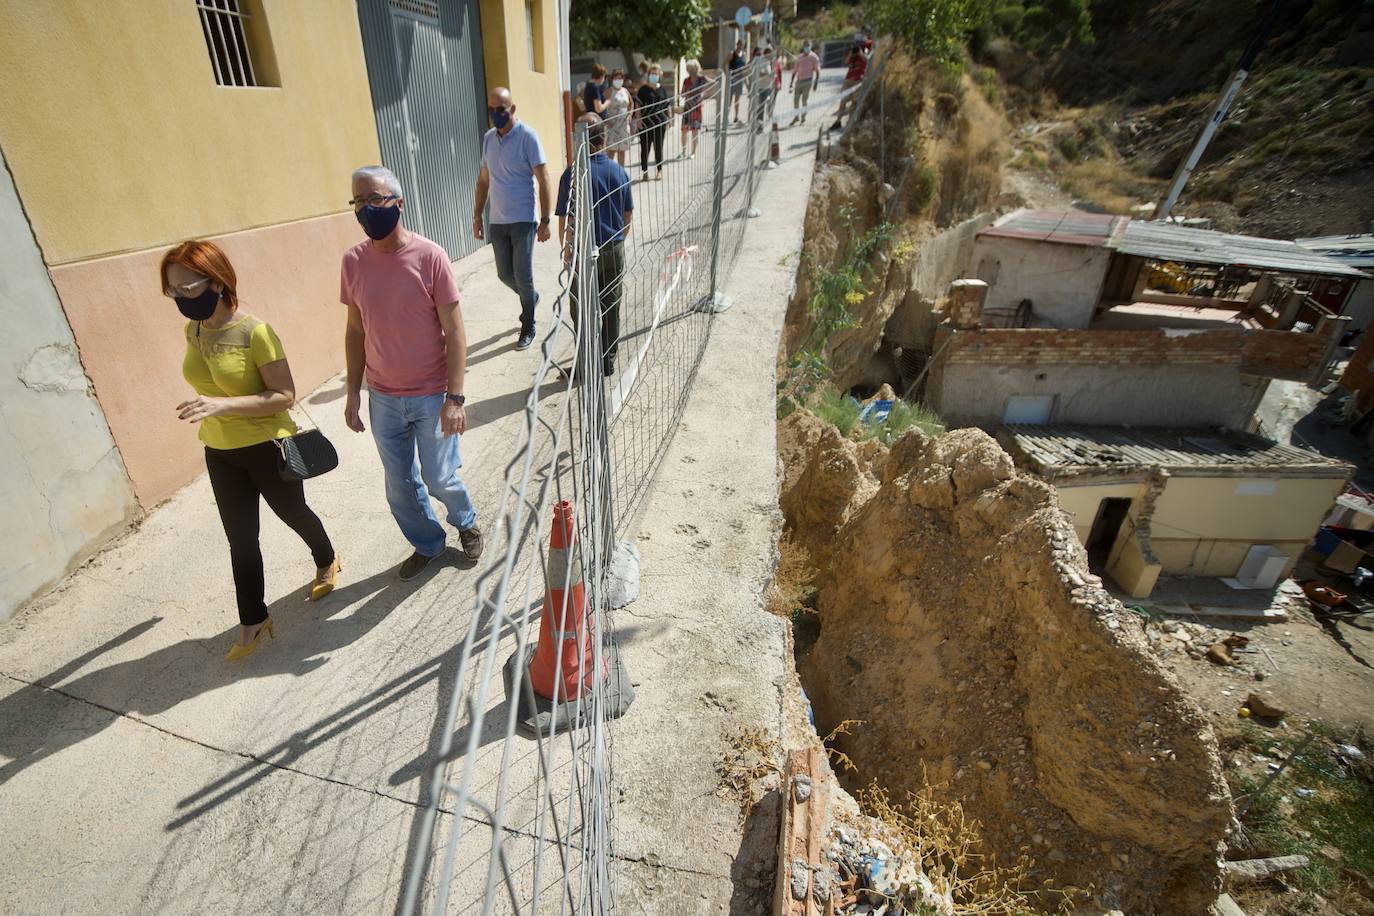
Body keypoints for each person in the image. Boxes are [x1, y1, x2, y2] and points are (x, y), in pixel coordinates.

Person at [161, 240, 338, 662]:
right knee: (240, 538)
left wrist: (222, 404)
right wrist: (214, 412)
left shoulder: (256, 332)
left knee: (294, 514)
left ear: (218, 282)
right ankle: (254, 618)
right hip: (220, 450)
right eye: (173, 291)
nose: (182, 299)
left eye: (189, 288)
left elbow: (285, 395)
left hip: (266, 446)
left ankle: (327, 558)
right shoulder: (195, 328)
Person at [343, 165, 484, 581]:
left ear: (399, 204)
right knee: (400, 485)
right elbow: (354, 330)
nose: (366, 209)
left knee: (439, 478)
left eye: (375, 199)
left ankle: (466, 521)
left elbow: (455, 331)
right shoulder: (353, 262)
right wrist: (353, 392)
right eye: (358, 201)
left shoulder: (430, 256)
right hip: (383, 397)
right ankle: (428, 543)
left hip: (429, 393)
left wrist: (454, 398)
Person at [472, 86, 552, 351]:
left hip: (523, 219)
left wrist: (545, 220)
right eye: (492, 109)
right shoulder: (488, 139)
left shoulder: (528, 137)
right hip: (498, 220)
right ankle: (532, 299)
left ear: (512, 109)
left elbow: (544, 178)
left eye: (501, 109)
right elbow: (484, 180)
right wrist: (477, 215)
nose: (497, 114)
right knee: (504, 274)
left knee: (524, 276)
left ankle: (527, 325)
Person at [556, 114, 634, 378]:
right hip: (614, 247)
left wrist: (568, 253)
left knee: (582, 310)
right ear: (603, 138)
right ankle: (607, 363)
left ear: (581, 140)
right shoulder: (619, 171)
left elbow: (566, 221)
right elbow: (627, 216)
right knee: (611, 306)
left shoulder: (573, 174)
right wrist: (616, 240)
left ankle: (586, 364)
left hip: (583, 251)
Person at [831, 33, 872, 132]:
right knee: (843, 100)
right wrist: (851, 54)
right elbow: (846, 62)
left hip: (859, 78)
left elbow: (867, 60)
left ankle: (850, 122)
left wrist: (860, 53)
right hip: (849, 78)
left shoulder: (866, 49)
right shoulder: (852, 50)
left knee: (854, 101)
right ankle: (838, 121)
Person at [636, 64, 669, 182]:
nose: (654, 76)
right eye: (652, 74)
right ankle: (645, 172)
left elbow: (667, 106)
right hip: (645, 124)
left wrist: (670, 119)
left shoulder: (662, 89)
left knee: (658, 148)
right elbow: (638, 105)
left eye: (656, 73)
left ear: (660, 74)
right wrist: (638, 120)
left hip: (660, 123)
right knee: (645, 148)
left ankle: (659, 171)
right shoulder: (643, 90)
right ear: (648, 75)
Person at [679, 60, 708, 159]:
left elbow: (713, 84)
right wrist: (684, 93)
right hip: (687, 108)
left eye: (692, 68)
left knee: (695, 131)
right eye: (688, 69)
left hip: (697, 108)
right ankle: (683, 151)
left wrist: (704, 94)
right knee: (684, 130)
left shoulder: (702, 79)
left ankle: (693, 152)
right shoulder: (686, 80)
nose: (690, 71)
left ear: (697, 68)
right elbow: (682, 93)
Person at [604, 69, 632, 167]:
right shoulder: (608, 91)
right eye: (616, 78)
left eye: (620, 78)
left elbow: (631, 104)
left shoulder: (625, 91)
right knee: (611, 151)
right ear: (612, 79)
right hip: (612, 125)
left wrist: (630, 115)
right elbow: (602, 107)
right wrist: (605, 120)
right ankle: (609, 173)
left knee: (622, 150)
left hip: (624, 125)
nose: (618, 80)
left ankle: (621, 173)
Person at [789, 41, 821, 126]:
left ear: (810, 47)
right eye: (805, 46)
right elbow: (794, 70)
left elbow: (817, 71)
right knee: (796, 100)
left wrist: (816, 83)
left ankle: (803, 118)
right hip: (799, 80)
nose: (807, 48)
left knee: (804, 100)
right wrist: (791, 83)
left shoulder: (814, 57)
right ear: (803, 47)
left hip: (808, 81)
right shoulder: (799, 57)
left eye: (808, 46)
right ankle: (796, 116)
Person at [728, 41, 746, 124]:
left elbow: (744, 68)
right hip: (732, 79)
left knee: (737, 99)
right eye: (739, 45)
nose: (740, 46)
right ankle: (727, 117)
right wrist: (727, 75)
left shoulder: (743, 55)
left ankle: (736, 116)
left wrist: (746, 80)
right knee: (730, 99)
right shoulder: (732, 54)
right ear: (737, 44)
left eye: (742, 45)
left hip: (740, 79)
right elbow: (724, 64)